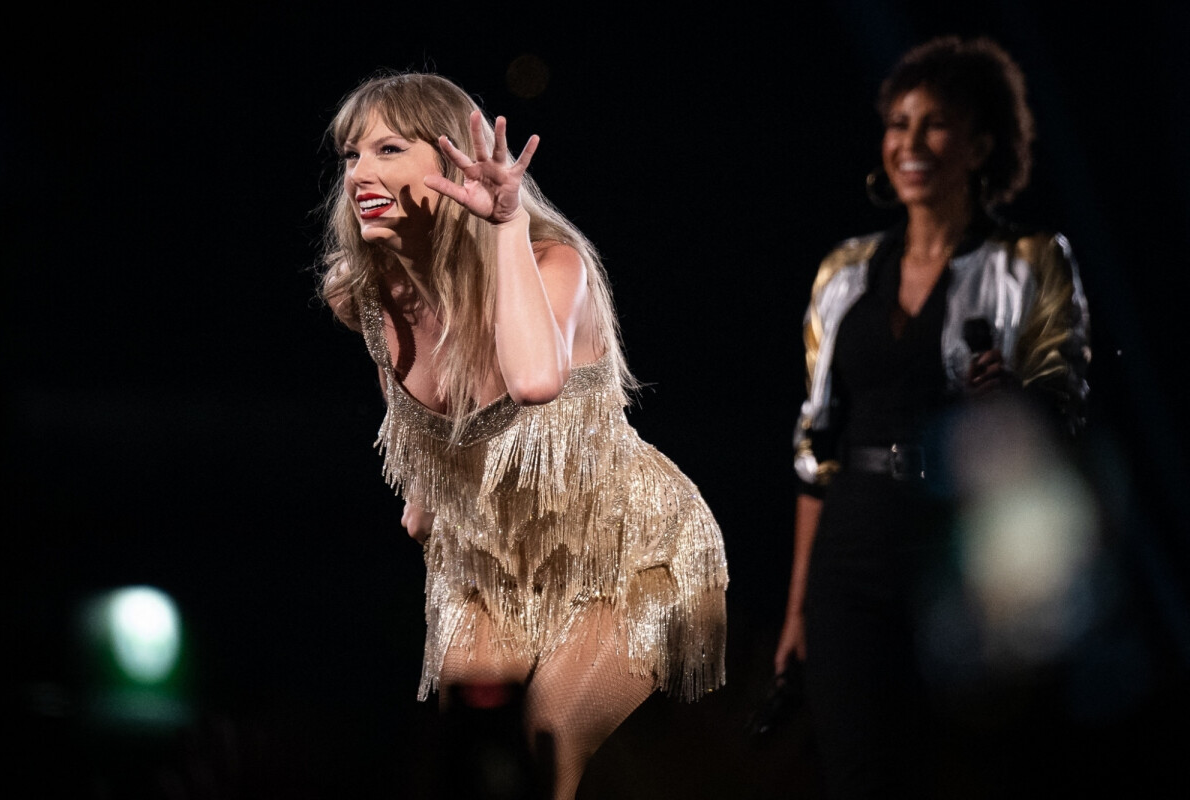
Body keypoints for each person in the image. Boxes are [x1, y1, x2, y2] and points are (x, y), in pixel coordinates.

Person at [316, 71, 728, 799]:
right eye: (351, 156)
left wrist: (502, 225)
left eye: (388, 149)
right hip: (491, 563)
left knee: (549, 733)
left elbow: (534, 381)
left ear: (454, 163)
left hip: (627, 553)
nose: (361, 174)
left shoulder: (550, 263)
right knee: (469, 749)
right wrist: (425, 504)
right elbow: (413, 435)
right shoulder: (369, 297)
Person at [772, 36, 1090, 797]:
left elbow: (1066, 413)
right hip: (852, 548)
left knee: (965, 770)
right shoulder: (845, 272)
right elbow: (816, 450)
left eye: (936, 123)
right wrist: (797, 610)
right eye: (898, 123)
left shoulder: (1029, 263)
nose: (910, 142)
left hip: (960, 549)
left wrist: (1010, 399)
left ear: (982, 144)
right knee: (858, 773)